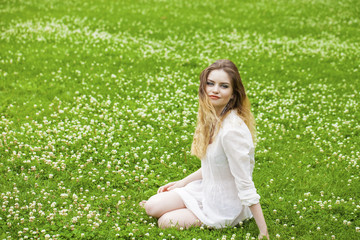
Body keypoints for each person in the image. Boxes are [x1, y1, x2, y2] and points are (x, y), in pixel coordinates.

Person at [140, 59, 269, 239]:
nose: (215, 90)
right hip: (207, 188)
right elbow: (214, 166)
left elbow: (245, 182)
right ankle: (186, 205)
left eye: (223, 86)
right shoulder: (213, 118)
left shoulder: (232, 131)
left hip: (224, 205)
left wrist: (263, 231)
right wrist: (181, 183)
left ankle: (192, 211)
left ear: (233, 94)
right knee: (152, 206)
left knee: (165, 221)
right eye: (210, 83)